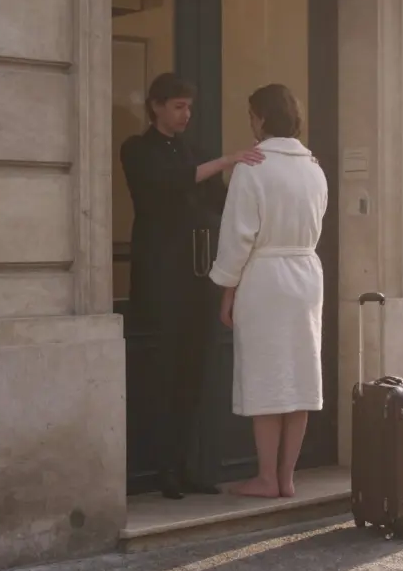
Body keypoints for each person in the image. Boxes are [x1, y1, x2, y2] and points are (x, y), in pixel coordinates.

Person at [120, 73, 264, 500]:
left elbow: (218, 203)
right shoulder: (136, 149)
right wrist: (225, 162)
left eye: (189, 107)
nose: (186, 115)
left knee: (193, 375)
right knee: (163, 376)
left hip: (199, 277)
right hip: (162, 278)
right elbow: (167, 184)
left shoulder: (194, 151)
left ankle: (188, 467)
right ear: (156, 107)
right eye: (179, 106)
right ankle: (162, 470)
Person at [208, 84, 328, 499]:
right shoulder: (313, 167)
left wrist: (227, 290)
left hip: (266, 277)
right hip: (307, 276)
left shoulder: (253, 165)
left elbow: (238, 236)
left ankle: (265, 477)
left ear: (261, 117)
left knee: (266, 377)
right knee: (299, 376)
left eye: (251, 115)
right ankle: (288, 478)